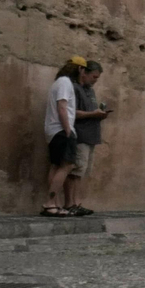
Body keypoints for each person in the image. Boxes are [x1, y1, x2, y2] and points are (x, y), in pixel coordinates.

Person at [40, 58, 84, 217]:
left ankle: (54, 204)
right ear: (80, 69)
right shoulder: (66, 82)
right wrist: (68, 130)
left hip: (53, 130)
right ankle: (50, 203)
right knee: (67, 165)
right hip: (61, 130)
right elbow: (62, 106)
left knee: (56, 166)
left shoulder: (58, 82)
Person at [65, 59, 109, 216]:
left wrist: (99, 114)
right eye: (94, 77)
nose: (95, 80)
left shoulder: (90, 91)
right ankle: (70, 203)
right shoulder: (75, 89)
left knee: (82, 172)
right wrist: (93, 114)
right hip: (80, 135)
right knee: (75, 171)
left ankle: (76, 203)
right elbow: (72, 112)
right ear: (84, 72)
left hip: (91, 136)